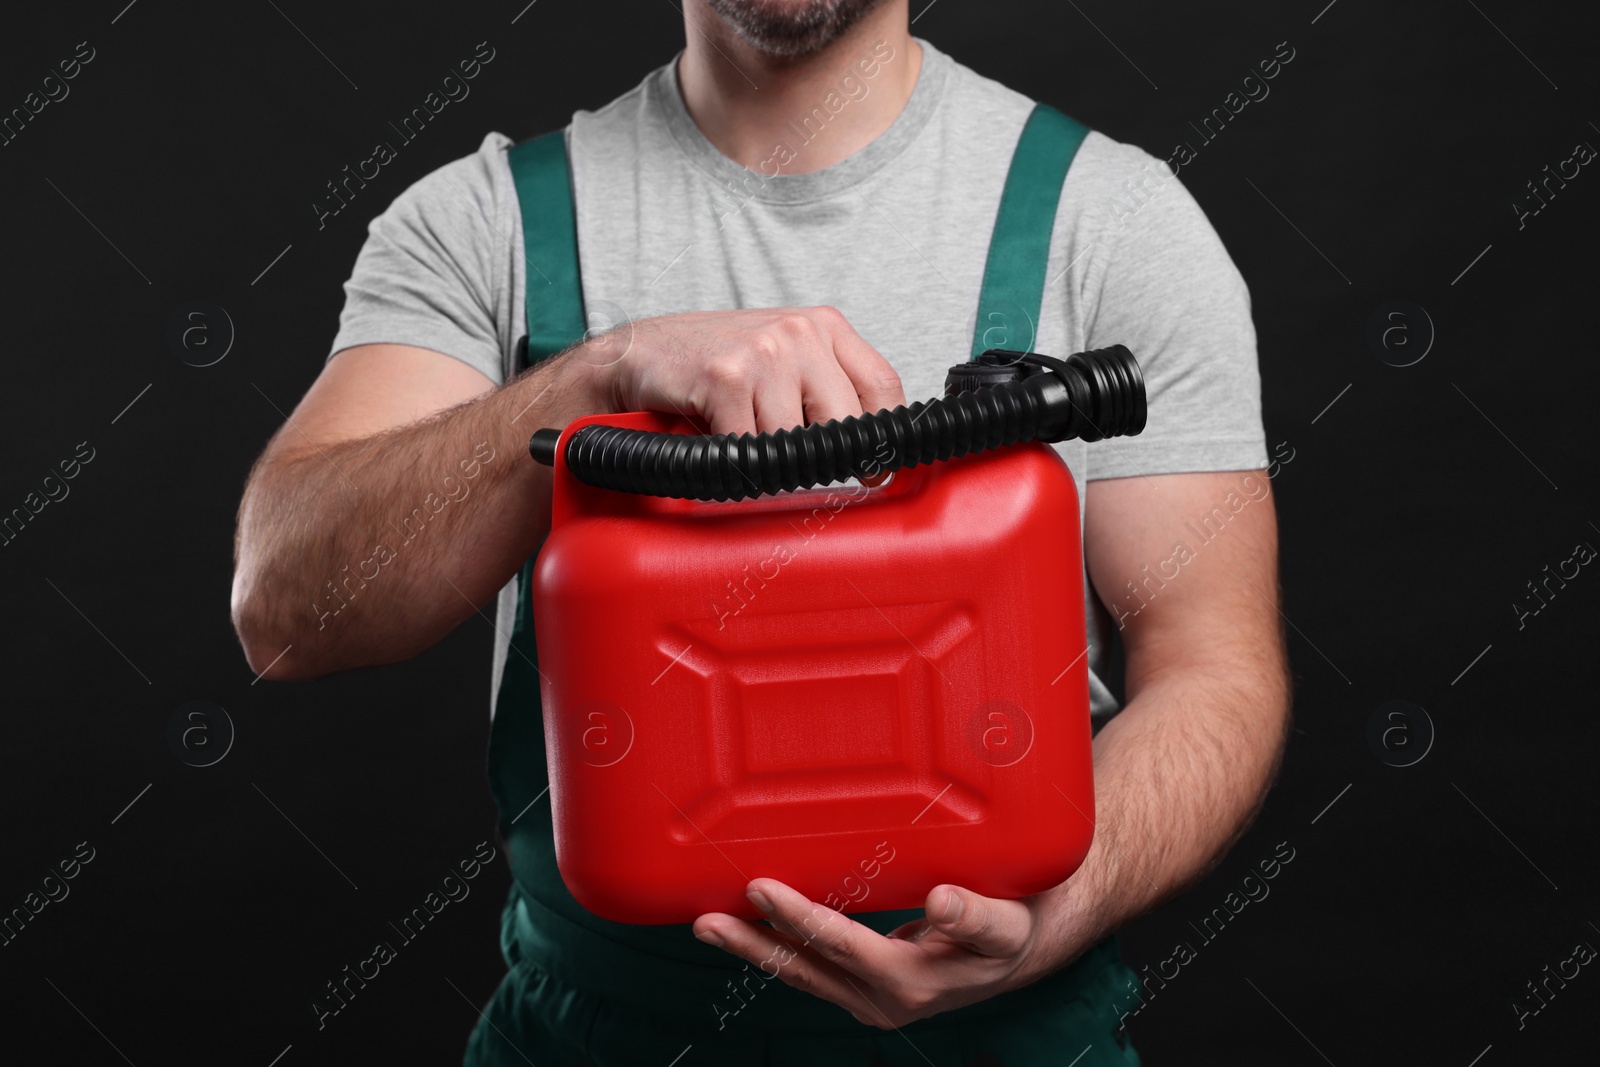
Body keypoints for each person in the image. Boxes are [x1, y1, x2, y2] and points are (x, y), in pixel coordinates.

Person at [230, 1, 1291, 1062]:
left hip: (1005, 1032)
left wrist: (1054, 914)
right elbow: (284, 608)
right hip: (598, 1031)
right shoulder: (486, 225)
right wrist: (598, 371)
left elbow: (1214, 670)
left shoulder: (1110, 221)